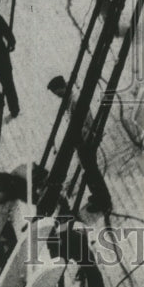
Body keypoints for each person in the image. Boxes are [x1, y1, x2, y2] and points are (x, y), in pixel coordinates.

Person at [47, 75, 112, 214]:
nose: (57, 96)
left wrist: (79, 140)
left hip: (85, 140)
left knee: (92, 172)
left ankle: (105, 202)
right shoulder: (70, 99)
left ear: (62, 88)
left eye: (57, 93)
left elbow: (86, 122)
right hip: (82, 140)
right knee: (89, 171)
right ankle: (98, 196)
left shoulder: (75, 101)